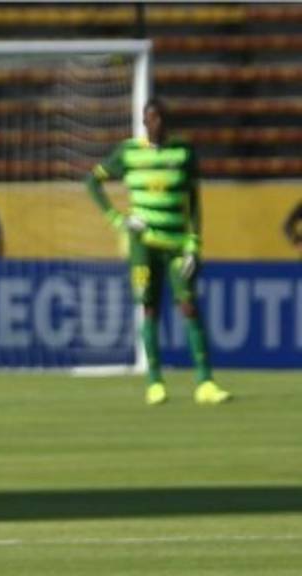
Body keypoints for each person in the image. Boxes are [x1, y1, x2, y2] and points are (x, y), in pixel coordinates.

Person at [86, 98, 230, 405]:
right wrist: (117, 219)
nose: (156, 124)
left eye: (161, 118)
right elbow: (92, 181)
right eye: (151, 119)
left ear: (167, 121)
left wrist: (195, 244)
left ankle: (205, 382)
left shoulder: (184, 152)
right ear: (143, 121)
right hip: (144, 244)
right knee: (149, 308)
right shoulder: (129, 152)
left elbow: (194, 201)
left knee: (188, 306)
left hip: (177, 243)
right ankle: (155, 381)